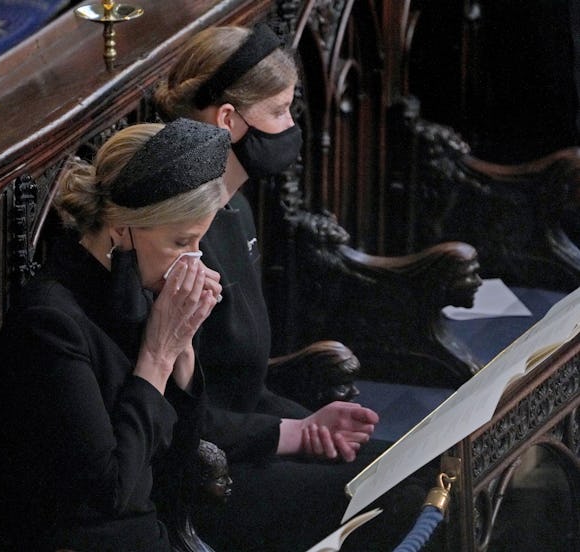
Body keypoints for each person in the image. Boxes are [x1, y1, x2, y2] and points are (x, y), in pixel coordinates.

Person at [154, 24, 419, 551]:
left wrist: (309, 422)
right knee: (403, 495)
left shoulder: (236, 209)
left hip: (251, 435)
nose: (291, 127)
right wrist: (292, 433)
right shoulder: (176, 236)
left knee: (419, 464)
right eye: (279, 112)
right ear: (228, 120)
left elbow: (241, 381)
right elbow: (178, 412)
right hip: (209, 474)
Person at [0, 118, 229, 551]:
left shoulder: (145, 289)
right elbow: (111, 492)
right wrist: (156, 358)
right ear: (120, 228)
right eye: (180, 243)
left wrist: (183, 353)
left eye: (199, 244)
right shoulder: (50, 322)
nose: (192, 264)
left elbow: (177, 464)